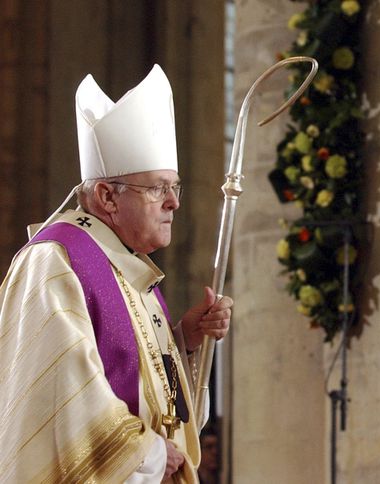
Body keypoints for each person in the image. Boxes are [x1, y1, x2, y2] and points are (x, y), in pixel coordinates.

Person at [0, 65, 232, 482]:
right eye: (158, 188)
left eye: (174, 187)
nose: (173, 204)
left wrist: (186, 341)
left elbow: (149, 394)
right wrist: (150, 456)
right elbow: (61, 399)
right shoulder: (56, 260)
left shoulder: (128, 266)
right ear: (107, 196)